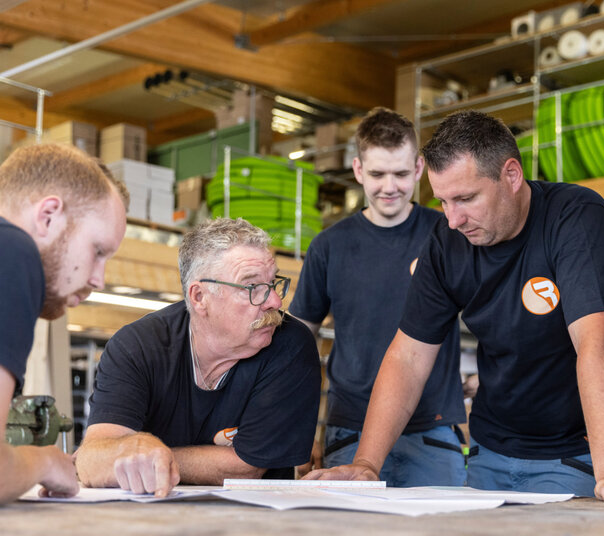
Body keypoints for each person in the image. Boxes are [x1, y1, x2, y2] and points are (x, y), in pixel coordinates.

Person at [307, 110, 604, 502]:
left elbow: (599, 344)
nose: (453, 219)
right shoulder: (446, 241)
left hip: (570, 456)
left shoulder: (575, 218)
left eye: (466, 199)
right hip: (489, 453)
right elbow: (408, 357)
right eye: (443, 201)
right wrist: (367, 463)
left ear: (512, 175)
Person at [75, 218, 321, 497]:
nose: (275, 302)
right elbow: (92, 460)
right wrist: (109, 456)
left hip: (254, 522)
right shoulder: (137, 347)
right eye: (253, 288)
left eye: (273, 283)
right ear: (200, 296)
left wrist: (146, 458)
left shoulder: (290, 345)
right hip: (149, 520)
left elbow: (246, 467)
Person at [290, 107, 466, 487]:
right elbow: (297, 343)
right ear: (357, 170)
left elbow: (494, 309)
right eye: (377, 174)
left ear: (420, 168)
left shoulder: (449, 233)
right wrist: (299, 429)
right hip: (350, 429)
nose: (390, 186)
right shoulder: (328, 246)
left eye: (401, 174)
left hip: (433, 430)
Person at [0, 143, 129, 503]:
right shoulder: (12, 251)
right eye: (98, 251)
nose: (98, 279)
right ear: (48, 216)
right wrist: (44, 462)